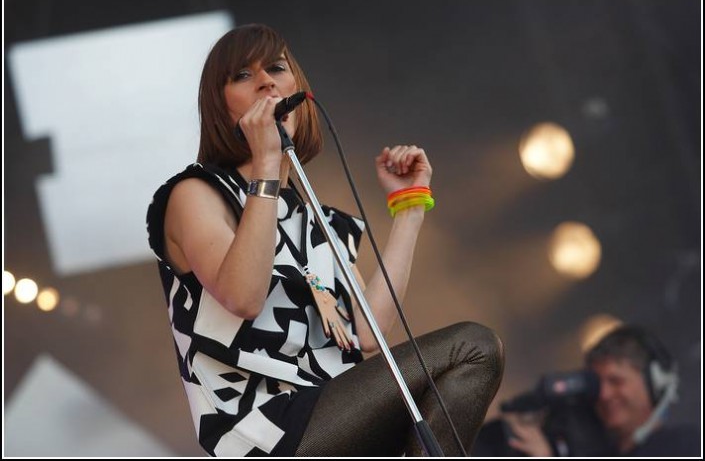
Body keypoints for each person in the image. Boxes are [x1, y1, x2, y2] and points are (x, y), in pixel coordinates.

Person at [145, 24, 504, 457]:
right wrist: (265, 164)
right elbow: (242, 296)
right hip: (267, 431)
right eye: (242, 75)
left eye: (276, 68)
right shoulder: (196, 194)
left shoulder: (312, 214)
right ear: (219, 106)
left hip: (330, 410)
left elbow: (367, 336)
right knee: (473, 347)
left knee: (470, 362)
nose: (266, 82)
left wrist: (409, 210)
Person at [500, 325, 700, 457]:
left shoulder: (687, 445)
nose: (603, 394)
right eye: (596, 384)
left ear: (655, 382)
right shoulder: (591, 449)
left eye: (616, 381)